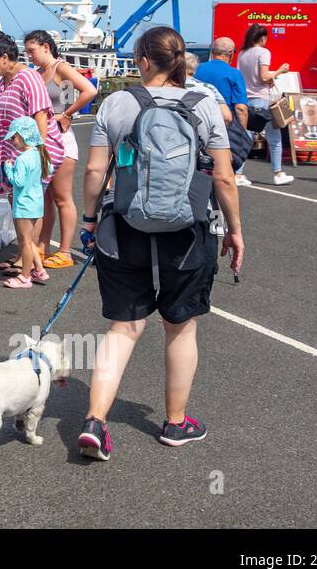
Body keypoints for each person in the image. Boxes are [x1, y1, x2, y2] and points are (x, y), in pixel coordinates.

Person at [77, 27, 243, 462]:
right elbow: (224, 177)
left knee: (123, 328)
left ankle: (95, 420)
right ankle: (175, 422)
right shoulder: (204, 105)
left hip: (125, 226)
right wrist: (236, 230)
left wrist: (90, 221)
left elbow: (95, 172)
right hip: (188, 232)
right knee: (180, 326)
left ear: (144, 61)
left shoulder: (116, 103)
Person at [0, 31, 65, 276]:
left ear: (5, 57)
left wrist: (38, 156)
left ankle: (26, 259)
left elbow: (40, 116)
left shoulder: (27, 77)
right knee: (18, 204)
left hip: (32, 153)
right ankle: (23, 255)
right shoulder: (3, 81)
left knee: (28, 206)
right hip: (13, 152)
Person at [23, 30, 97, 269]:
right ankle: (43, 245)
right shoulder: (36, 74)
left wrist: (66, 113)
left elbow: (90, 90)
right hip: (41, 140)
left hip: (61, 140)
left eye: (31, 51)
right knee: (44, 198)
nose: (29, 56)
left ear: (46, 47)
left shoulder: (61, 68)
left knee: (62, 197)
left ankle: (65, 251)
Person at [237, 23, 293, 186]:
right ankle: (278, 172)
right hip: (262, 98)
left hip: (245, 98)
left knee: (246, 137)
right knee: (274, 136)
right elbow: (263, 77)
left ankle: (238, 173)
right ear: (262, 38)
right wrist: (280, 71)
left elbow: (244, 75)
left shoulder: (242, 53)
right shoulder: (263, 52)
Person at [0, 116, 51, 288]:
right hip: (36, 203)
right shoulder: (40, 155)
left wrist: (8, 167)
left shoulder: (22, 159)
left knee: (25, 241)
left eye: (14, 137)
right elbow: (48, 170)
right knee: (31, 241)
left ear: (23, 135)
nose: (12, 141)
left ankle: (24, 277)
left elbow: (18, 182)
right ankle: (39, 270)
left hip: (23, 205)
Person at [194, 37, 249, 129]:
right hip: (224, 123)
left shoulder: (197, 69)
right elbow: (241, 108)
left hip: (199, 120)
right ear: (231, 53)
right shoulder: (234, 74)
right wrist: (243, 134)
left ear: (212, 52)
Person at [186, 53, 232, 123]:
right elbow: (227, 117)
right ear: (194, 69)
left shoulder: (166, 88)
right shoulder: (209, 88)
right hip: (204, 130)